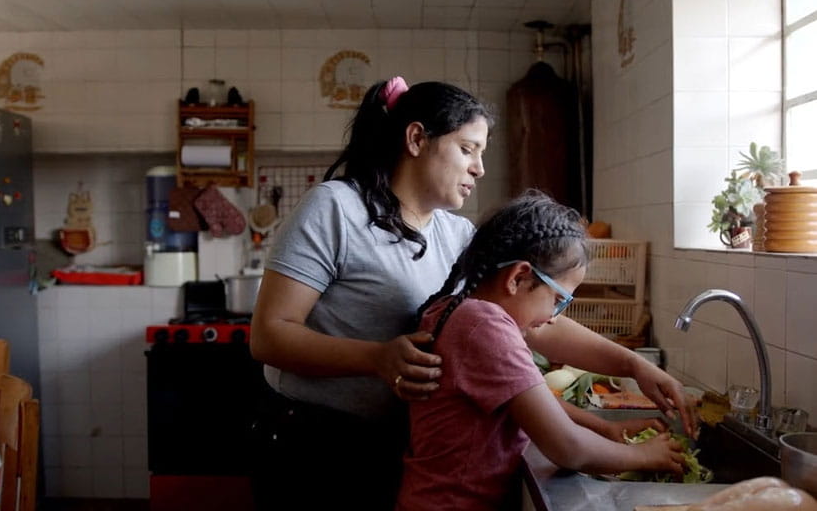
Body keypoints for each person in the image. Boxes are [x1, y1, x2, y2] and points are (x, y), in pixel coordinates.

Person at [249, 76, 694, 511]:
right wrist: (377, 357)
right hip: (317, 440)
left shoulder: (457, 234)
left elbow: (530, 325)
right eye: (467, 149)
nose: (479, 168)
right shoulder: (336, 208)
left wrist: (633, 365)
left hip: (399, 444)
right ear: (417, 139)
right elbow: (269, 336)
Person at [396, 190, 685, 511]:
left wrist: (605, 426)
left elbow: (527, 400)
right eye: (558, 300)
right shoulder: (484, 326)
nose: (553, 316)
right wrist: (644, 455)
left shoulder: (457, 310)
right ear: (518, 277)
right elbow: (567, 447)